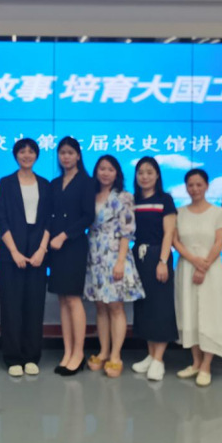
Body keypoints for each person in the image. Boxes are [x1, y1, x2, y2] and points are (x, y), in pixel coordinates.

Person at [0, 138, 52, 377]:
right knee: (11, 306)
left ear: (36, 156)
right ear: (15, 155)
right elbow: (1, 219)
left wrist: (42, 250)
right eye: (22, 151)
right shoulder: (5, 183)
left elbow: (50, 220)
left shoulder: (45, 184)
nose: (26, 155)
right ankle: (13, 358)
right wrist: (14, 252)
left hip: (37, 251)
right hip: (11, 251)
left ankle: (31, 356)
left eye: (31, 152)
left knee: (34, 306)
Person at [84, 155, 144, 379]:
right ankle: (103, 351)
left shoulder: (125, 197)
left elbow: (127, 232)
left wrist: (120, 261)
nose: (105, 173)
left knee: (116, 307)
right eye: (102, 168)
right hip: (94, 255)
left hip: (115, 256)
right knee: (100, 306)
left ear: (117, 172)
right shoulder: (90, 195)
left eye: (110, 169)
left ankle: (116, 355)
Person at [173, 169, 222, 387]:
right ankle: (196, 362)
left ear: (207, 186)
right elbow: (176, 241)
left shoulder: (219, 212)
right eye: (191, 185)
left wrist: (204, 265)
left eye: (199, 184)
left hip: (211, 271)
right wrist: (194, 261)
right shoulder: (179, 212)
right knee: (189, 314)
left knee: (210, 315)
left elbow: (220, 241)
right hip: (186, 269)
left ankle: (207, 365)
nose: (195, 189)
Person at [48, 137, 95, 377]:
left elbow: (88, 216)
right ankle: (67, 352)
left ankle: (79, 353)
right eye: (62, 153)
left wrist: (64, 236)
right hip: (55, 248)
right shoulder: (54, 183)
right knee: (62, 300)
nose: (65, 156)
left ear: (78, 155)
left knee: (74, 299)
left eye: (70, 152)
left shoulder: (87, 182)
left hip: (74, 245)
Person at [130, 157, 178, 382]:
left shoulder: (164, 199)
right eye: (141, 172)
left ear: (157, 175)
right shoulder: (133, 200)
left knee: (161, 308)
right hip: (137, 258)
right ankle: (150, 355)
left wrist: (162, 261)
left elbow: (169, 233)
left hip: (158, 256)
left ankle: (159, 359)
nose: (145, 176)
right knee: (144, 307)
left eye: (149, 172)